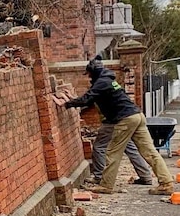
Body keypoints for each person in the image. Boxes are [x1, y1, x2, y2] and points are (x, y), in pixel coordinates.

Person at [64, 55, 174, 195]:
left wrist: (68, 103)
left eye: (89, 74)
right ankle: (166, 183)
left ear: (94, 71)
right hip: (137, 116)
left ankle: (106, 185)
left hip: (125, 119)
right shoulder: (108, 80)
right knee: (150, 152)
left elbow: (87, 98)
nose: (89, 77)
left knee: (112, 152)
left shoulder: (102, 82)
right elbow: (92, 99)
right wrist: (73, 99)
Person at [88, 121, 153, 186]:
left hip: (116, 121)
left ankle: (100, 177)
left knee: (99, 147)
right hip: (129, 119)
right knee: (129, 147)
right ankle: (145, 176)